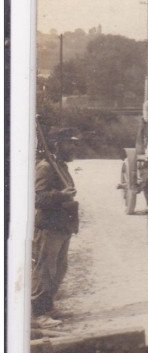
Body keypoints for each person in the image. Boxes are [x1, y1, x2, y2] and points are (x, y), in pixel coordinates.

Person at [32, 128, 80, 326]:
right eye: (70, 143)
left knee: (59, 269)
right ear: (58, 145)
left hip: (62, 225)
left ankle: (48, 307)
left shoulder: (60, 165)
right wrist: (62, 195)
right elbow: (38, 197)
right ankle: (38, 314)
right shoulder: (46, 167)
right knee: (45, 270)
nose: (74, 147)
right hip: (50, 226)